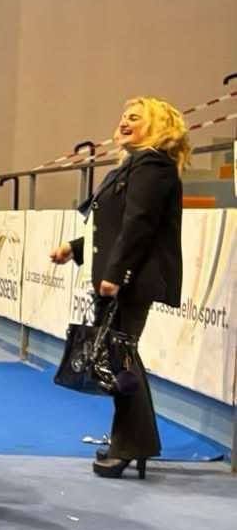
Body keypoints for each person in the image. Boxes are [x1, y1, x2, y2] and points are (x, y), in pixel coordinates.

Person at [49, 95, 186, 478]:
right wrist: (74, 248)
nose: (124, 122)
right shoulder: (133, 165)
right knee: (121, 359)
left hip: (130, 281)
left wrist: (116, 274)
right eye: (124, 116)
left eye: (135, 118)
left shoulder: (153, 166)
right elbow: (111, 228)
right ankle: (133, 443)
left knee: (121, 360)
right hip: (121, 275)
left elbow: (139, 225)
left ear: (156, 125)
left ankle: (132, 445)